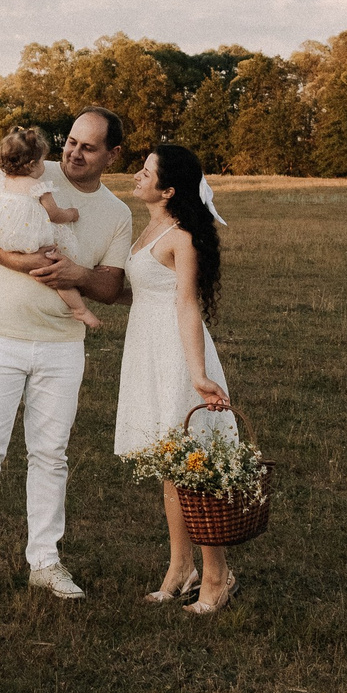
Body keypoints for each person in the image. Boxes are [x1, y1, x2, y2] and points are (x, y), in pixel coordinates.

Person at [0, 108, 134, 606]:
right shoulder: (34, 169)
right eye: (71, 141)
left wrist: (74, 273)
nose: (74, 152)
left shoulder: (118, 213)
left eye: (89, 147)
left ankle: (45, 562)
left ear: (112, 155)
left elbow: (111, 284)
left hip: (60, 346)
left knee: (51, 456)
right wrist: (26, 262)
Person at [115, 142, 239, 615]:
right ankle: (179, 567)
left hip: (176, 352)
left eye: (146, 173)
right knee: (169, 468)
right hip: (145, 348)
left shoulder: (182, 236)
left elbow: (186, 304)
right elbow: (144, 291)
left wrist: (199, 375)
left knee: (193, 467)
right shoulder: (150, 225)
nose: (137, 177)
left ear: (168, 189)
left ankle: (216, 575)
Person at [0, 126, 97, 330]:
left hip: (3, 233)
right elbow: (54, 214)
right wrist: (71, 213)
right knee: (53, 267)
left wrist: (1, 168)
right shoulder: (39, 186)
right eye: (43, 160)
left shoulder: (2, 181)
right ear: (33, 164)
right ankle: (78, 309)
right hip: (28, 237)